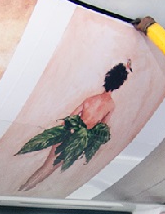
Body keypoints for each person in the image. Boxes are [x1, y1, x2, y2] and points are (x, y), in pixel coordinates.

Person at [17, 60, 132, 191]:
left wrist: (62, 132)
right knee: (49, 169)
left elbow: (70, 117)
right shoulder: (110, 105)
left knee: (45, 166)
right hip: (77, 141)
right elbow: (101, 128)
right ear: (119, 85)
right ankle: (24, 189)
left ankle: (23, 188)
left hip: (68, 132)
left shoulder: (90, 99)